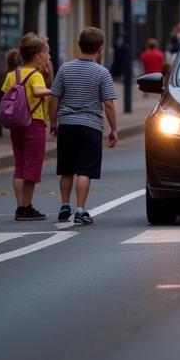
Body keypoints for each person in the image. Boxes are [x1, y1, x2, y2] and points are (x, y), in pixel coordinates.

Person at [49, 27, 119, 225]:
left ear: (79, 46)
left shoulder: (65, 68)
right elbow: (108, 104)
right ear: (101, 49)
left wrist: (53, 123)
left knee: (66, 169)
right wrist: (113, 129)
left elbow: (54, 97)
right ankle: (80, 209)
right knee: (85, 170)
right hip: (90, 126)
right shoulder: (102, 73)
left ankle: (64, 205)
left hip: (67, 125)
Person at [0, 33, 53, 220]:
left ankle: (19, 206)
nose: (46, 56)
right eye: (45, 53)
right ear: (37, 56)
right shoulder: (35, 75)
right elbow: (38, 91)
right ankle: (27, 206)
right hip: (34, 123)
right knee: (32, 166)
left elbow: (6, 94)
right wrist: (54, 90)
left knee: (20, 166)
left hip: (16, 125)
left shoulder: (12, 74)